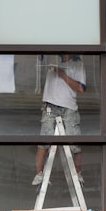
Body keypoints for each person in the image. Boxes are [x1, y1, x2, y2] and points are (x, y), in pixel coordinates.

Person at [33, 54, 87, 185]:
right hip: (50, 106)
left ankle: (78, 174)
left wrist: (63, 75)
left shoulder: (78, 64)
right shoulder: (51, 59)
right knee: (44, 141)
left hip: (69, 108)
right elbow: (38, 55)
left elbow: (81, 88)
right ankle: (39, 174)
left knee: (75, 143)